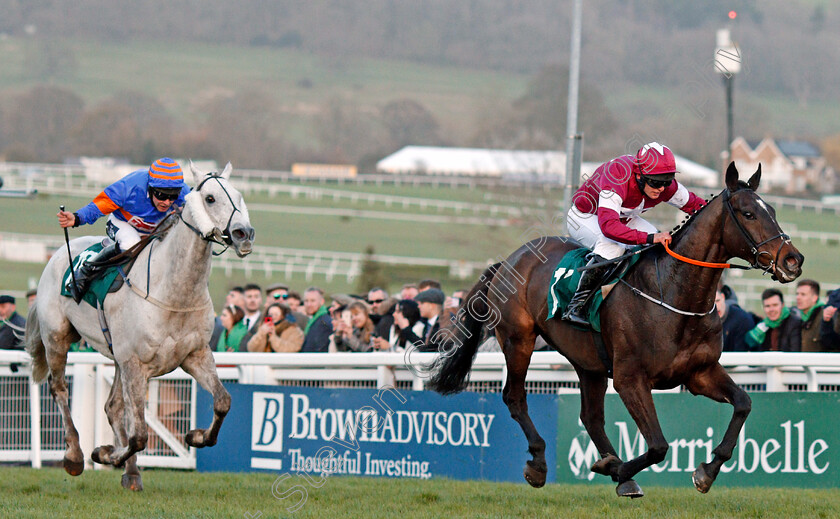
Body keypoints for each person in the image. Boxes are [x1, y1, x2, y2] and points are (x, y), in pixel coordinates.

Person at [561, 142, 706, 327]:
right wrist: (649, 238)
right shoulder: (617, 175)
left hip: (622, 215)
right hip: (586, 216)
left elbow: (697, 206)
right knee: (612, 248)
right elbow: (608, 227)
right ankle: (576, 306)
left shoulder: (663, 185)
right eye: (655, 182)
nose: (661, 188)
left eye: (666, 181)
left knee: (659, 246)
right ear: (639, 175)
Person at [57, 158, 190, 303]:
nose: (167, 202)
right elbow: (101, 205)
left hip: (155, 229)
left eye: (173, 196)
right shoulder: (130, 186)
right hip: (123, 223)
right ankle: (85, 271)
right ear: (150, 188)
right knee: (131, 243)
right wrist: (77, 218)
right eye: (162, 195)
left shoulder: (184, 192)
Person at [792, 279, 828, 352]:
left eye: (803, 294)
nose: (798, 297)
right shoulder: (795, 316)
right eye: (797, 294)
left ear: (815, 298)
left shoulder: (825, 317)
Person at [300, 287, 333, 352]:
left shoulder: (324, 323)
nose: (309, 304)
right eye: (306, 301)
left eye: (312, 301)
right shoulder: (313, 320)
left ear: (322, 301)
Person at [237, 283, 263, 350]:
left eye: (256, 297)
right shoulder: (237, 321)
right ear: (243, 299)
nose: (252, 300)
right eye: (249, 297)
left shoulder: (264, 321)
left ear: (261, 300)